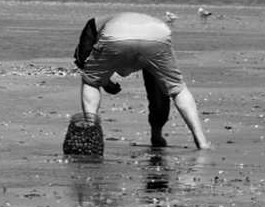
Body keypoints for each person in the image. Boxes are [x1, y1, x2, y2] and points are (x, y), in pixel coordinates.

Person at [73, 12, 210, 149]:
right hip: (157, 35)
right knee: (177, 89)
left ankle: (91, 132)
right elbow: (159, 91)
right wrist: (107, 83)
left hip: (116, 35)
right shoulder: (148, 20)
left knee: (90, 82)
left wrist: (105, 83)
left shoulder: (94, 24)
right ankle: (200, 141)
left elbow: (83, 60)